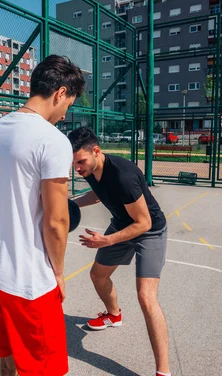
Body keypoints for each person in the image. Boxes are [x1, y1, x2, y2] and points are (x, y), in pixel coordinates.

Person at [0, 55, 85, 376]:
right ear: (60, 93)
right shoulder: (52, 140)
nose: (65, 115)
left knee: (8, 357)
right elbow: (57, 220)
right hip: (28, 280)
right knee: (45, 371)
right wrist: (60, 273)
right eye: (69, 104)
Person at [68, 127, 171, 376]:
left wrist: (107, 240)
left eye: (80, 162)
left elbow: (143, 223)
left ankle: (163, 371)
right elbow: (97, 195)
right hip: (121, 224)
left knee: (146, 297)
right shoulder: (92, 169)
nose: (77, 169)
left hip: (150, 231)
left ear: (97, 151)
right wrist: (70, 203)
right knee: (98, 275)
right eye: (73, 164)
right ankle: (114, 316)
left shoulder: (123, 175)